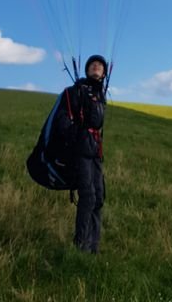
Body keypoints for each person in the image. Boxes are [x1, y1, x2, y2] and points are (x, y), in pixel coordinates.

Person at [56, 54, 107, 254]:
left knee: (99, 197)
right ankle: (80, 246)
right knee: (88, 196)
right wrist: (77, 136)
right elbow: (62, 120)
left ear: (104, 73)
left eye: (100, 65)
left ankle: (93, 247)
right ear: (86, 70)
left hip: (95, 151)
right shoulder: (74, 92)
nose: (96, 66)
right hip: (80, 151)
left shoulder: (100, 96)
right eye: (93, 65)